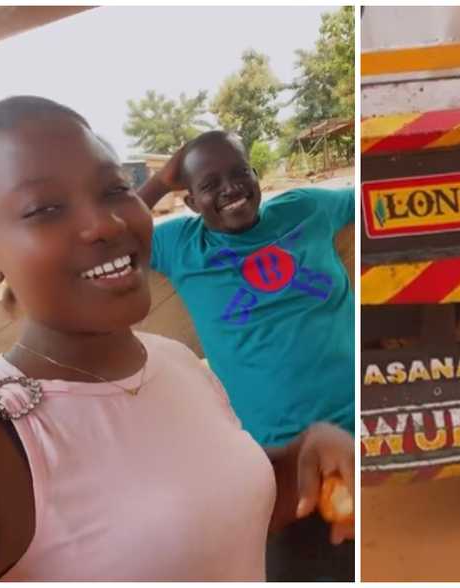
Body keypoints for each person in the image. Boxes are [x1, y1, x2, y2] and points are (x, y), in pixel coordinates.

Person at [0, 96, 354, 581]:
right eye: (45, 209)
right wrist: (163, 177)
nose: (107, 223)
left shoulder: (174, 361)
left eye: (115, 189)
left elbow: (218, 516)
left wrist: (298, 457)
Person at [137, 131, 356, 580]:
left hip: (366, 433)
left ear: (256, 177)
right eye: (210, 183)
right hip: (281, 467)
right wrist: (161, 180)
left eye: (240, 173)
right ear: (192, 203)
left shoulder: (306, 208)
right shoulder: (181, 246)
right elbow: (112, 232)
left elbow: (383, 200)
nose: (230, 188)